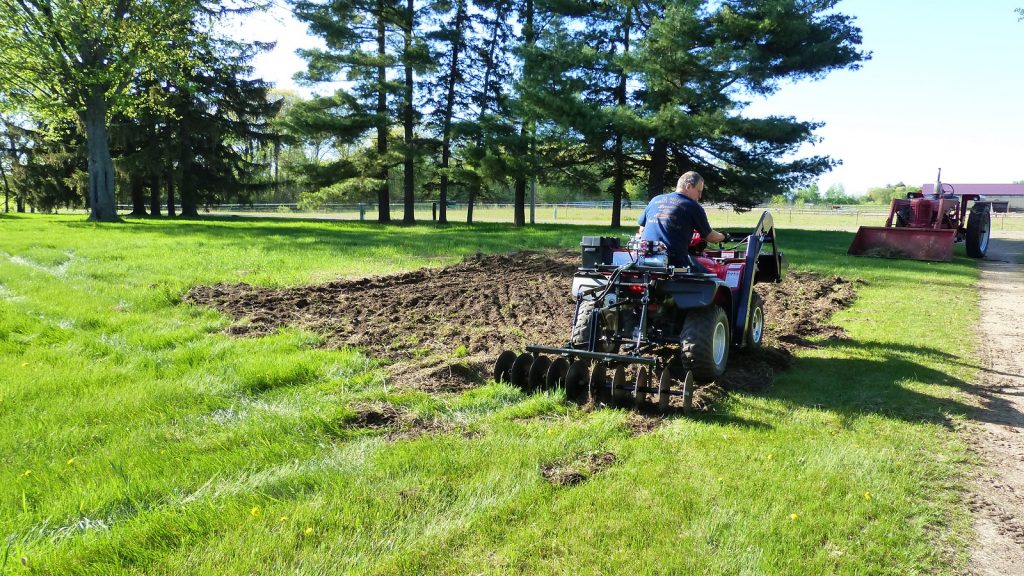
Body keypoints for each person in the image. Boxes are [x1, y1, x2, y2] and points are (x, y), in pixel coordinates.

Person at [636, 171, 725, 270]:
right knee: (712, 276)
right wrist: (724, 236)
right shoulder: (692, 206)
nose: (699, 196)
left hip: (644, 259)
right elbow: (710, 237)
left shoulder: (655, 200)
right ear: (688, 186)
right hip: (675, 262)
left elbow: (642, 229)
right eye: (699, 191)